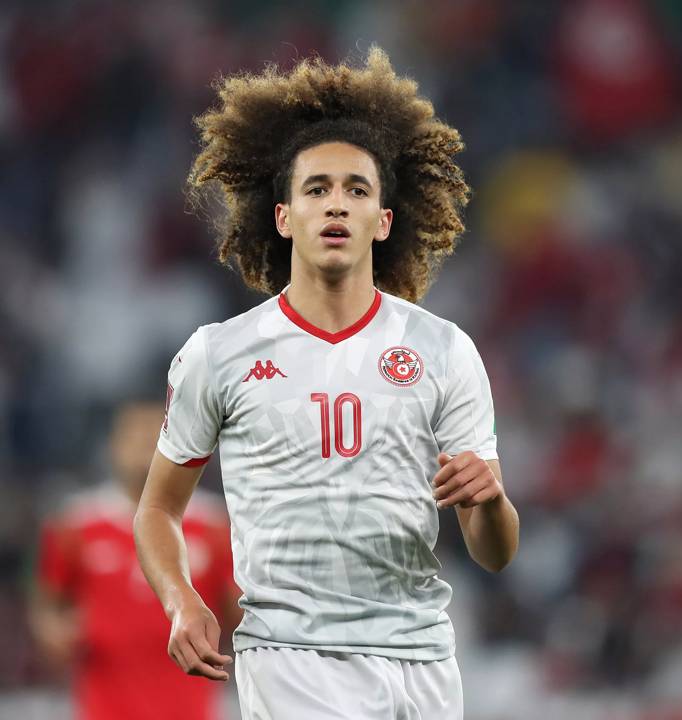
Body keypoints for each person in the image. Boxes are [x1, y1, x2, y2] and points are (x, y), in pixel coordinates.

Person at [134, 47, 520, 720]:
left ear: (384, 221)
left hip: (424, 661)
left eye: (357, 190)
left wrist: (489, 502)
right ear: (284, 218)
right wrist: (182, 599)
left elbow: (495, 553)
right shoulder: (220, 354)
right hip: (291, 658)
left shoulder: (443, 350)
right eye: (316, 189)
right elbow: (158, 509)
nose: (336, 204)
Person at [30, 400, 241, 720]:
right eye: (136, 438)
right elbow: (47, 604)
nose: (146, 449)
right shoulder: (76, 525)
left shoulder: (213, 525)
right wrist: (56, 634)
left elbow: (238, 612)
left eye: (155, 437)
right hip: (104, 706)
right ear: (114, 447)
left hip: (190, 707)